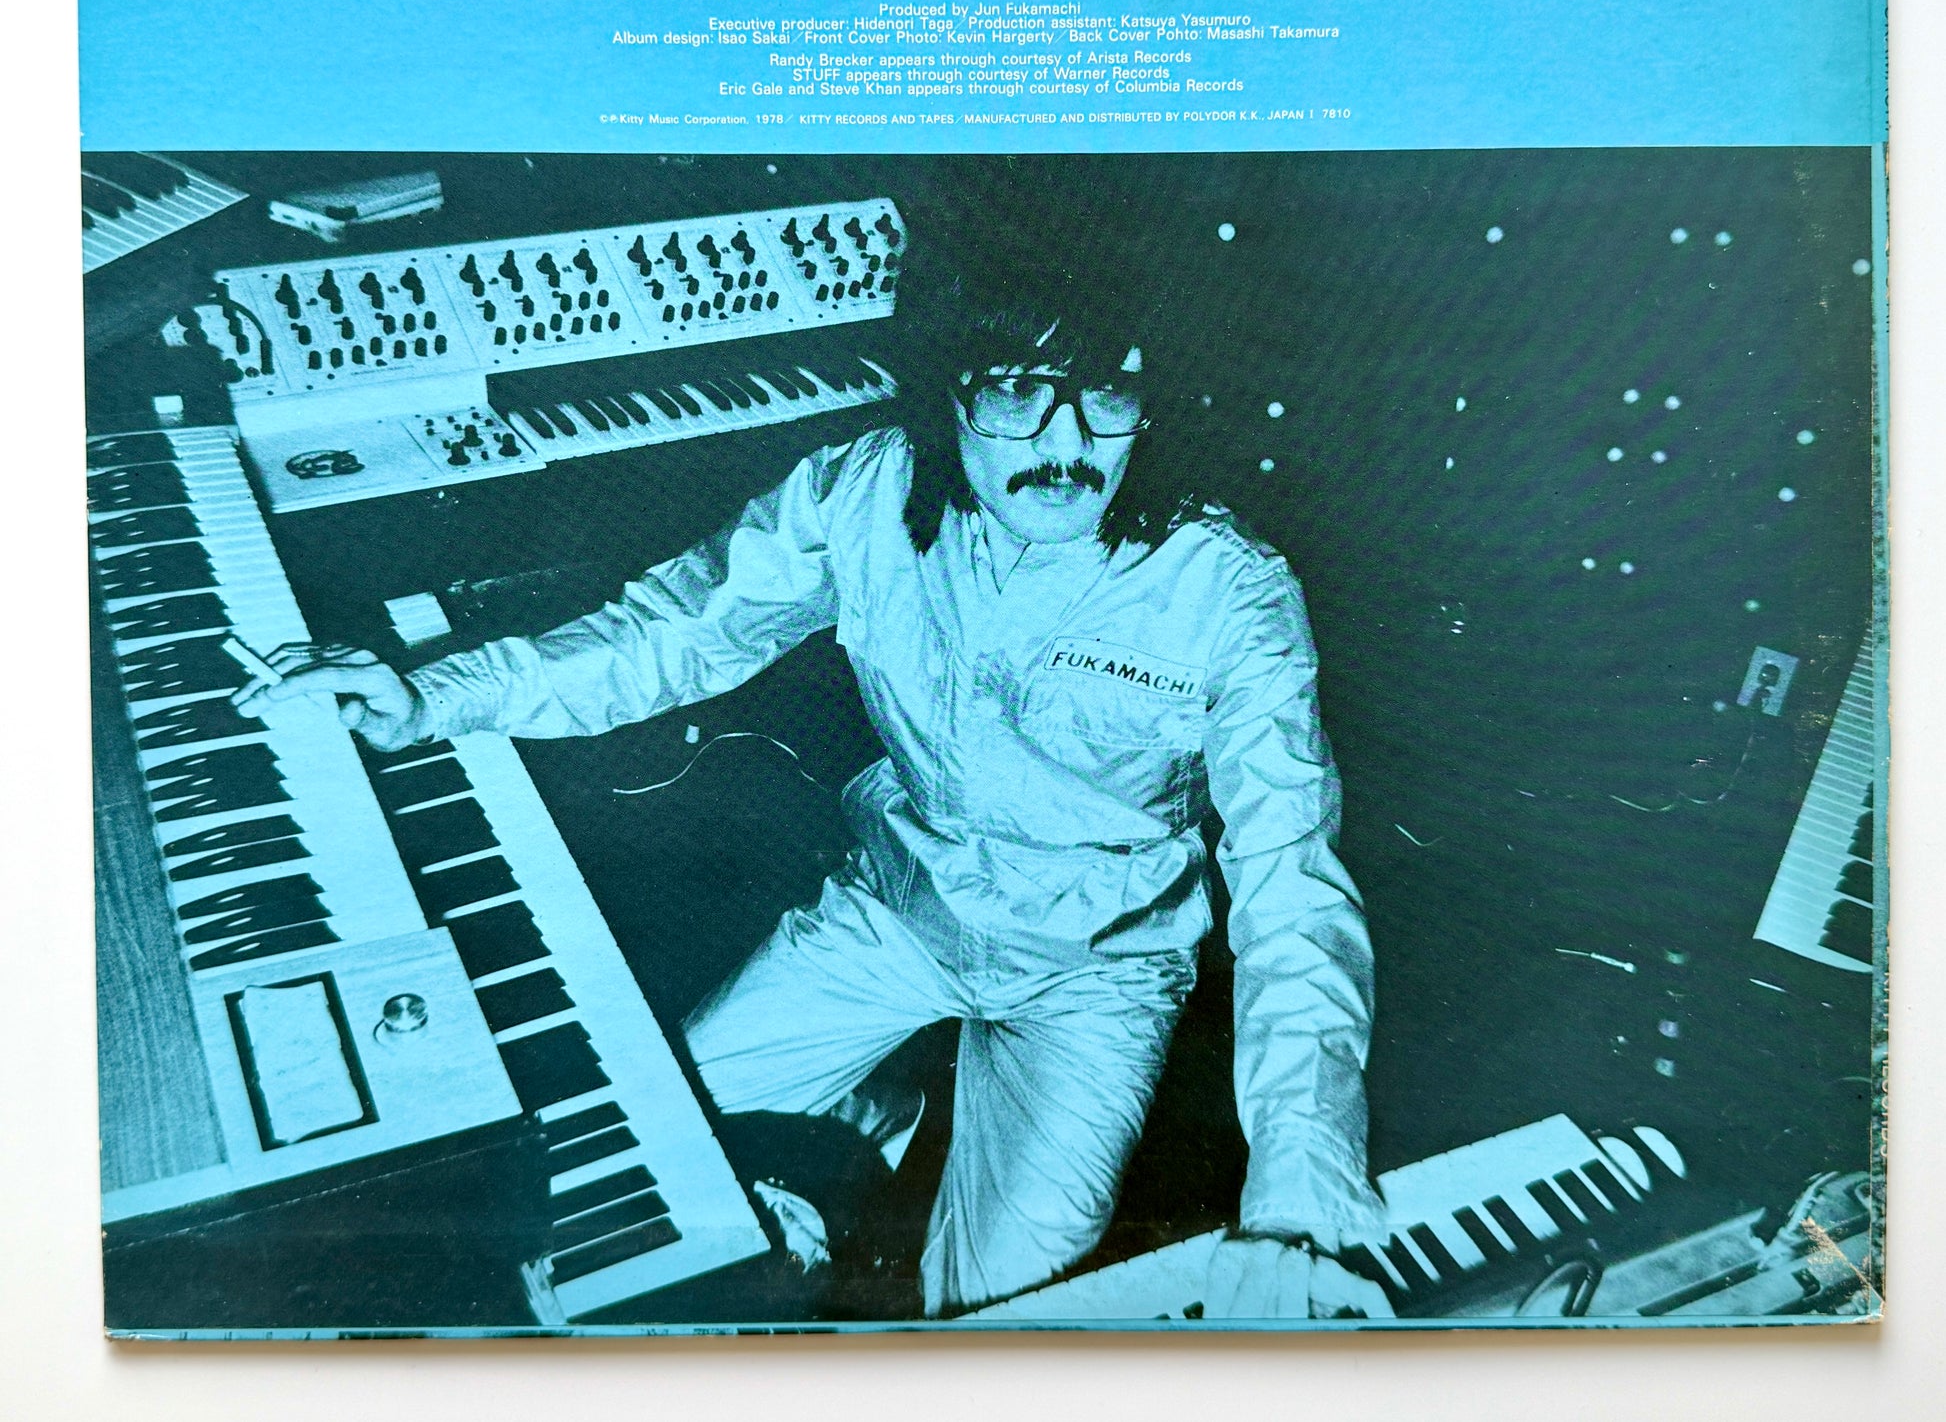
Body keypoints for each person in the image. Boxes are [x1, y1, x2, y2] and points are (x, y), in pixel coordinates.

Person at [239, 198, 1391, 1320]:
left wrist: (1302, 1193)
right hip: (895, 909)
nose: (1064, 442)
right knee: (646, 1177)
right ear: (950, 387)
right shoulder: (862, 492)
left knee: (1006, 1315)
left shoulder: (1232, 591)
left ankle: (886, 1134)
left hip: (1093, 969)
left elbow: (1293, 887)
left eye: (1107, 393)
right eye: (1016, 389)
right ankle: (876, 1110)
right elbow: (669, 634)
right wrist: (429, 694)